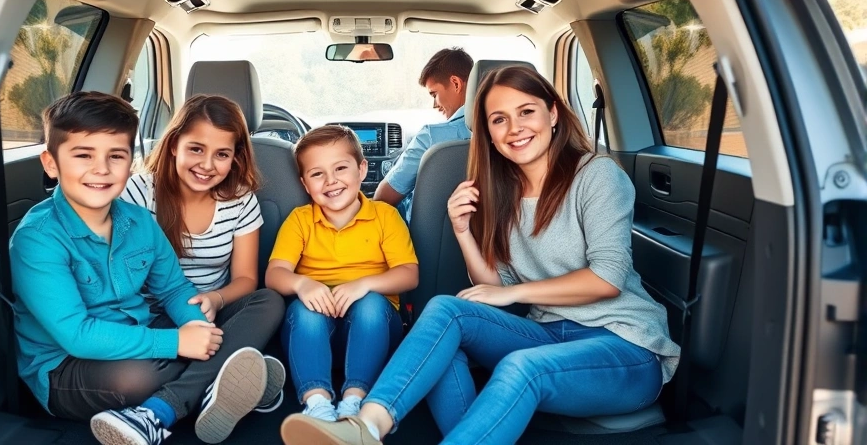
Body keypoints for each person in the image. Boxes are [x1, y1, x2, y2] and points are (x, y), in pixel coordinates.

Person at [279, 65, 681, 445]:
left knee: (521, 367)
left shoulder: (596, 175)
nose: (515, 128)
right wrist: (462, 231)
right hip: (548, 334)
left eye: (526, 111)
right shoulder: (502, 191)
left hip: (624, 346)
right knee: (444, 315)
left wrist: (513, 295)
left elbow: (607, 280)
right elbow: (496, 286)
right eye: (499, 119)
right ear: (487, 131)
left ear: (553, 113)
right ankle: (366, 425)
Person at [9, 92, 270, 445]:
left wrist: (195, 325)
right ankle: (221, 380)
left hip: (140, 329)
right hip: (67, 366)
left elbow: (174, 289)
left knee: (260, 307)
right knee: (144, 375)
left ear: (130, 161)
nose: (101, 169)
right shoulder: (37, 239)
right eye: (83, 155)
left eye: (115, 156)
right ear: (51, 163)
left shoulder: (137, 220)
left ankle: (158, 411)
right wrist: (178, 340)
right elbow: (77, 335)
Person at [120, 95, 287, 419]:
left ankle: (164, 407)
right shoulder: (139, 191)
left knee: (270, 301)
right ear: (173, 145)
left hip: (215, 312)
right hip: (153, 315)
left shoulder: (240, 201)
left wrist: (216, 299)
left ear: (235, 158)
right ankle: (229, 379)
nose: (207, 165)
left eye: (221, 154)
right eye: (196, 148)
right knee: (152, 364)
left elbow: (246, 280)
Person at [265, 125, 419, 424]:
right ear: (305, 184)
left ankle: (355, 402)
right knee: (303, 308)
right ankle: (317, 403)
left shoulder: (384, 216)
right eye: (317, 174)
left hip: (375, 331)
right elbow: (275, 274)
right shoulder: (300, 220)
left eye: (340, 168)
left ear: (362, 169)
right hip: (316, 334)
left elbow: (409, 274)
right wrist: (302, 283)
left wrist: (364, 285)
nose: (331, 181)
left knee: (372, 305)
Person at [373, 47, 473, 220]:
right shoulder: (502, 133)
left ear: (456, 84)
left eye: (434, 94)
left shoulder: (431, 137)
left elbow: (383, 199)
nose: (435, 105)